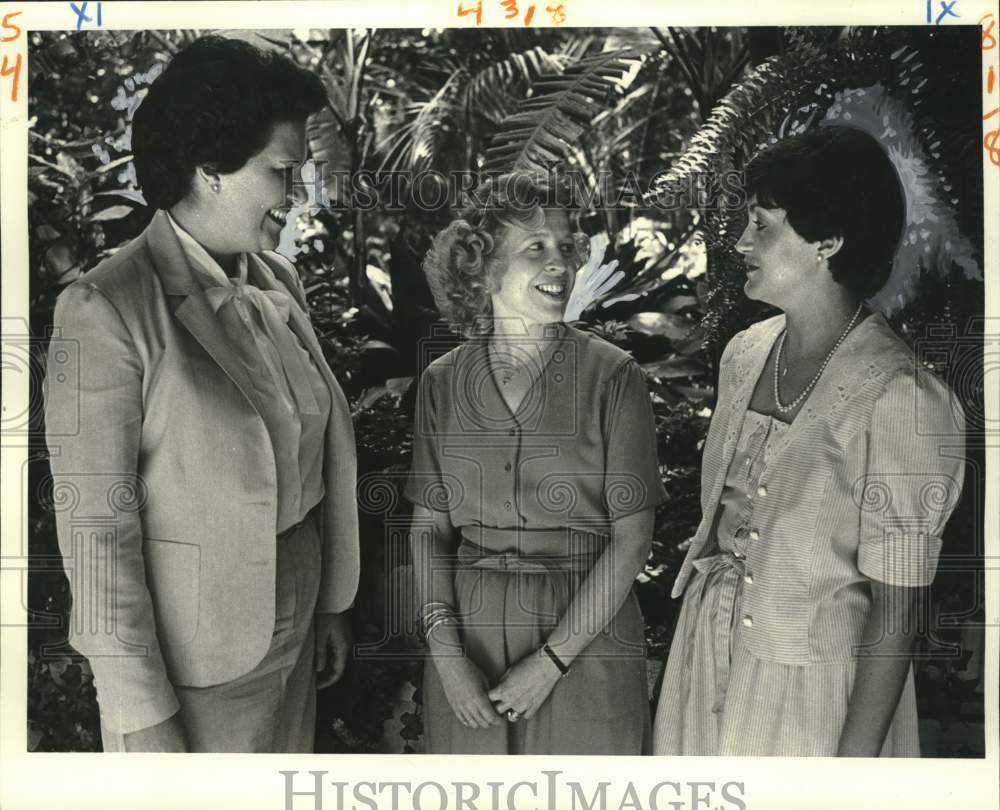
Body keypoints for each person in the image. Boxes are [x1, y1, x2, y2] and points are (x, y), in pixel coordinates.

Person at [43, 35, 359, 753]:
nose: (298, 195)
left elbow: (309, 465)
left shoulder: (277, 282)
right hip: (196, 661)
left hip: (296, 616)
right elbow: (95, 535)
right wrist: (142, 715)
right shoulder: (105, 309)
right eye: (283, 172)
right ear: (210, 169)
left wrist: (326, 604)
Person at [652, 125, 966, 756]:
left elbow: (896, 614)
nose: (741, 241)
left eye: (762, 224)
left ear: (828, 240)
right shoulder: (744, 354)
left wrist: (848, 777)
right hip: (701, 668)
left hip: (812, 703)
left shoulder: (901, 397)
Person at [404, 174, 667, 754]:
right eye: (536, 248)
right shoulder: (442, 382)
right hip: (468, 647)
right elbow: (428, 530)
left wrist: (551, 663)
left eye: (567, 247)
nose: (561, 264)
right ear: (483, 264)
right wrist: (446, 656)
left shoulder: (613, 376)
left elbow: (632, 541)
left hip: (584, 644)